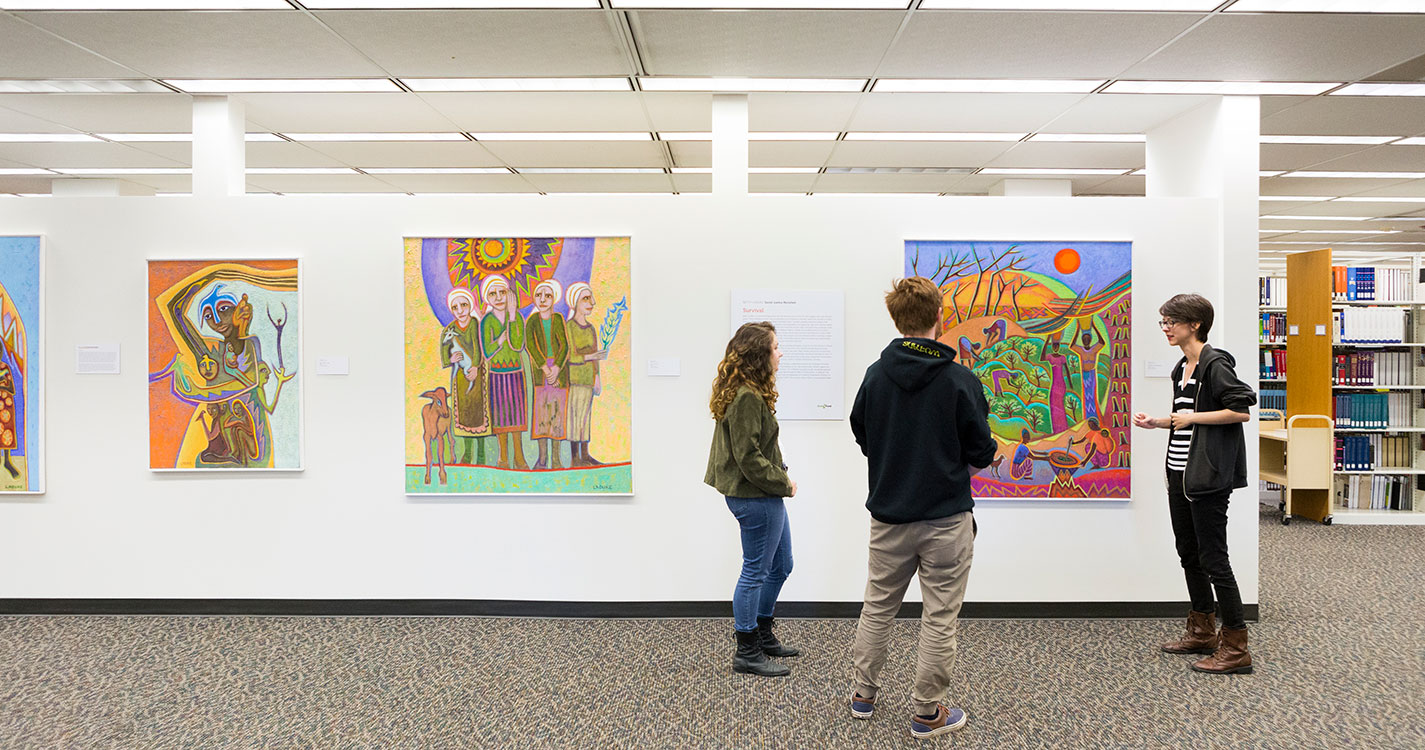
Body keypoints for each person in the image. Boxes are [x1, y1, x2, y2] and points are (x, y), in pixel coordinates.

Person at [848, 277, 996, 739]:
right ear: (939, 317)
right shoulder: (959, 380)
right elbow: (981, 449)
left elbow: (862, 435)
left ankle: (863, 696)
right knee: (939, 615)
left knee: (877, 606)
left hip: (889, 517)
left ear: (896, 319)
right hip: (946, 519)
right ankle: (926, 712)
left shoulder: (875, 374)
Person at [1133, 293, 1257, 675]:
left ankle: (1235, 645)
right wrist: (1159, 422)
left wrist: (1194, 418)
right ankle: (1202, 629)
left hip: (1206, 477)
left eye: (1171, 321)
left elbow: (1241, 409)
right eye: (1163, 322)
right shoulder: (1181, 368)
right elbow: (1186, 418)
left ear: (1195, 324)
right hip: (1179, 473)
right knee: (1189, 552)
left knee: (1214, 557)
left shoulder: (1214, 363)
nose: (1166, 328)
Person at [704, 321, 799, 678]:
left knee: (782, 565)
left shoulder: (750, 392)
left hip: (762, 493)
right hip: (755, 495)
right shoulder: (745, 396)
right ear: (761, 355)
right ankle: (747, 650)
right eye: (776, 347)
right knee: (756, 572)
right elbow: (748, 457)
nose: (780, 353)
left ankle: (762, 634)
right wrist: (784, 481)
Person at [479, 275, 529, 471]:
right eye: (493, 294)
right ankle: (503, 458)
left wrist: (513, 316)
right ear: (487, 298)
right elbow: (488, 352)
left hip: (516, 372)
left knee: (517, 416)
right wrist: (500, 340)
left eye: (503, 293)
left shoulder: (515, 317)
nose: (499, 297)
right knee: (500, 416)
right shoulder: (487, 321)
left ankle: (519, 457)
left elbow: (518, 345)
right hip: (497, 374)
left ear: (509, 295)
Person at [440, 286, 491, 466]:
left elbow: (478, 347)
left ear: (470, 305)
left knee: (479, 412)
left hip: (476, 373)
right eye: (455, 307)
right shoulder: (449, 329)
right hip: (461, 377)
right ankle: (468, 454)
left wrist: (476, 367)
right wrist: (450, 358)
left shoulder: (475, 324)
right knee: (465, 413)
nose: (460, 310)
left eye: (463, 305)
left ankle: (482, 454)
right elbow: (444, 351)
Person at [525, 279, 570, 470]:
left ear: (554, 299)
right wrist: (545, 369)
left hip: (558, 372)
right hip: (541, 372)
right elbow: (531, 346)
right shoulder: (532, 321)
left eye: (548, 296)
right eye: (539, 295)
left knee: (557, 415)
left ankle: (557, 459)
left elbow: (564, 346)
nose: (543, 299)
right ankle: (542, 459)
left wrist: (556, 369)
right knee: (542, 416)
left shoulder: (559, 319)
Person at [564, 282, 608, 467]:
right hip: (575, 379)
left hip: (588, 379)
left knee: (585, 418)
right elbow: (570, 356)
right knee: (575, 418)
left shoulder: (591, 328)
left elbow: (595, 356)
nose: (592, 302)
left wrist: (596, 377)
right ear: (575, 302)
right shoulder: (570, 327)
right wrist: (590, 356)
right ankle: (575, 458)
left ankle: (585, 454)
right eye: (586, 299)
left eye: (591, 298)